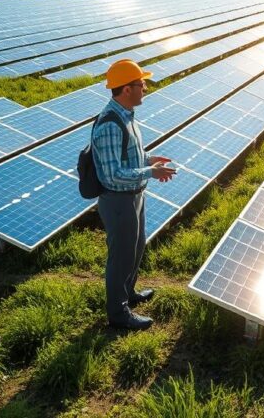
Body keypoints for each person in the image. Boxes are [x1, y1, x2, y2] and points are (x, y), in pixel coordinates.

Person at [93, 59, 177, 330]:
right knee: (121, 257)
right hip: (118, 201)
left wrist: (149, 159)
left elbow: (129, 155)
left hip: (134, 196)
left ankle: (127, 294)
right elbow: (112, 174)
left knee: (136, 248)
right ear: (126, 89)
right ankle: (118, 314)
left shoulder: (127, 115)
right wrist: (150, 172)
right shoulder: (109, 124)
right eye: (141, 84)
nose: (145, 88)